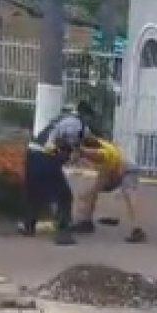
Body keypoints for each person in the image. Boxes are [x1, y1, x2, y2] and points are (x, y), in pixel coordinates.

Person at [18, 101, 97, 245]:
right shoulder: (76, 123)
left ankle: (28, 226)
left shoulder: (61, 118)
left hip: (32, 155)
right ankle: (63, 233)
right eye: (90, 117)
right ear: (85, 114)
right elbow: (68, 140)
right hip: (45, 157)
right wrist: (76, 149)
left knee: (35, 192)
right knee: (64, 196)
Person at [72, 136, 147, 243]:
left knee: (129, 195)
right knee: (88, 192)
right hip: (114, 171)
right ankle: (86, 222)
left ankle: (138, 230)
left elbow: (99, 183)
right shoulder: (97, 146)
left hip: (128, 170)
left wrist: (87, 196)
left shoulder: (104, 154)